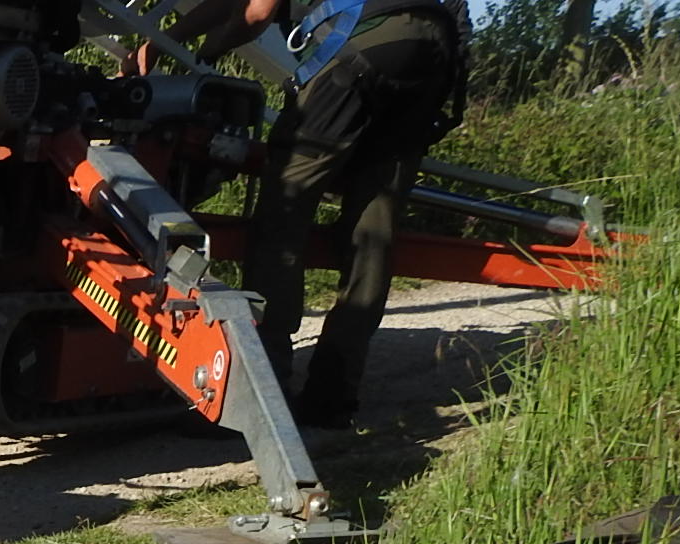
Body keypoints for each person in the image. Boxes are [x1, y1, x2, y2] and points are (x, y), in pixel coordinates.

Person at [164, 0, 468, 427]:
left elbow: (255, 12)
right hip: (432, 55)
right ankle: (333, 394)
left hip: (364, 47)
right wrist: (168, 41)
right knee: (373, 230)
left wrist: (199, 55)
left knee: (284, 210)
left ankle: (262, 388)